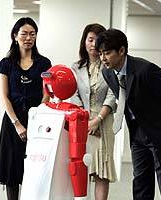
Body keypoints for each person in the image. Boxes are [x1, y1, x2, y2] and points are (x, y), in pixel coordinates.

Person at [95, 28, 161, 200]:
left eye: (107, 53)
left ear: (121, 51)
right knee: (141, 182)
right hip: (137, 133)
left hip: (160, 132)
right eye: (100, 54)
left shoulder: (146, 70)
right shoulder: (107, 72)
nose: (103, 59)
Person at [0, 17, 51, 200]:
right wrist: (17, 124)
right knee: (11, 171)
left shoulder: (44, 63)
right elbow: (4, 96)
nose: (28, 38)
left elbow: (47, 93)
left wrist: (37, 118)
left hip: (36, 121)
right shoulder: (6, 63)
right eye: (24, 34)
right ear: (15, 36)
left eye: (32, 34)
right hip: (12, 122)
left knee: (34, 169)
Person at [70, 23, 117, 200]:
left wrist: (97, 119)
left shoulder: (110, 66)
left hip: (104, 122)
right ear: (84, 41)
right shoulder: (76, 66)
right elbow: (73, 94)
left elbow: (113, 96)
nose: (93, 44)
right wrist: (85, 118)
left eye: (97, 40)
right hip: (81, 122)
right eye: (90, 40)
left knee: (101, 172)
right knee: (80, 168)